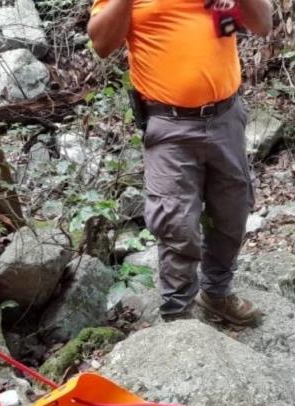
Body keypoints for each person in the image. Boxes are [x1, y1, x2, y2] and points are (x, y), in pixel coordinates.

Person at [87, 0, 273, 325]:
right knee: (177, 224)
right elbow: (102, 43)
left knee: (231, 212)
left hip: (226, 116)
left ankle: (217, 293)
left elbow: (262, 24)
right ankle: (179, 318)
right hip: (168, 125)